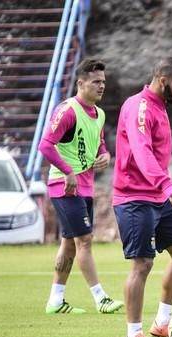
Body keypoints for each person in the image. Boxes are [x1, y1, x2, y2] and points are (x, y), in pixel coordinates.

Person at [113, 57, 172, 337]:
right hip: (135, 197)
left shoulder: (159, 107)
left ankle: (161, 323)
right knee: (142, 263)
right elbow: (141, 151)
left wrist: (162, 188)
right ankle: (133, 335)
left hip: (157, 197)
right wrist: (166, 184)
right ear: (163, 81)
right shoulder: (141, 106)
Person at [39, 58, 123, 315]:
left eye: (103, 82)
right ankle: (101, 299)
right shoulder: (67, 110)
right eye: (96, 82)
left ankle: (55, 300)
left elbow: (99, 144)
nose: (101, 86)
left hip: (84, 188)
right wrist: (68, 171)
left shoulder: (99, 114)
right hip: (64, 187)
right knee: (84, 241)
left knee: (70, 244)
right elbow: (45, 145)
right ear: (81, 83)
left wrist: (106, 155)